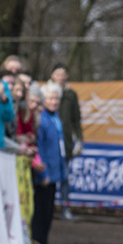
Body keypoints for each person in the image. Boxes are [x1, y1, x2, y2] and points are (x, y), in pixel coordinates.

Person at [32, 82, 66, 244]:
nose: (54, 101)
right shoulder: (42, 119)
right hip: (44, 173)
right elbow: (41, 147)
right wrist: (43, 173)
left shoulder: (56, 118)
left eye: (57, 98)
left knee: (49, 210)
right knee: (40, 210)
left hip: (54, 171)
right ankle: (37, 243)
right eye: (51, 98)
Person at [50, 64, 83, 221]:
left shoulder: (71, 94)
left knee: (65, 178)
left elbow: (76, 119)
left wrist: (79, 140)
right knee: (47, 178)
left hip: (66, 143)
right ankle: (46, 209)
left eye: (63, 74)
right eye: (58, 74)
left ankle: (65, 208)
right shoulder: (46, 92)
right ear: (52, 75)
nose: (61, 77)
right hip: (49, 142)